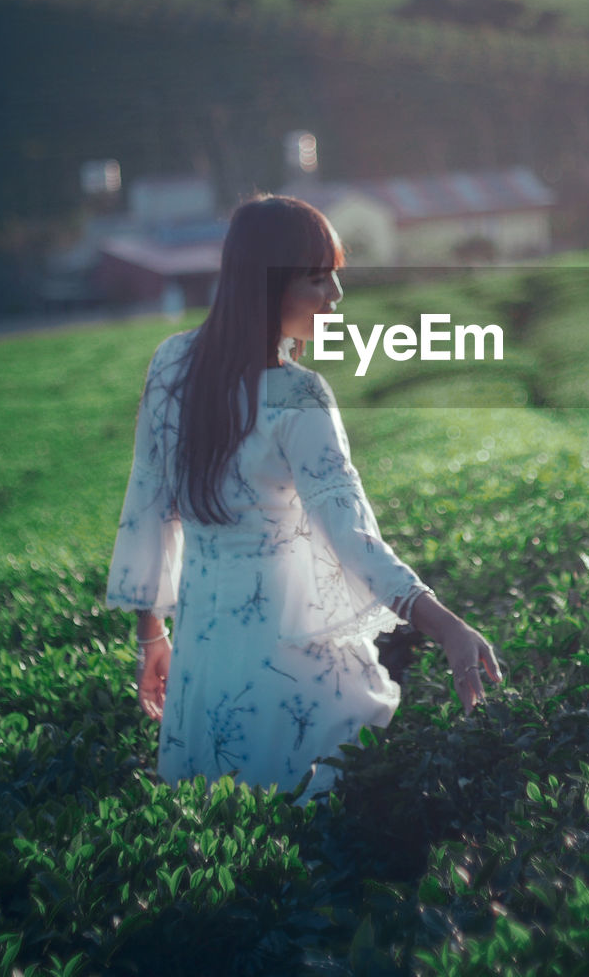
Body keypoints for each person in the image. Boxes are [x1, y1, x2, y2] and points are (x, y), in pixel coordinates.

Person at [106, 194, 501, 799]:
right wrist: (445, 626)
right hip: (291, 662)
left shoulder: (171, 365)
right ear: (265, 286)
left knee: (218, 838)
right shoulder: (299, 396)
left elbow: (147, 509)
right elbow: (353, 539)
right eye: (318, 279)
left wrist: (152, 636)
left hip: (205, 660)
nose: (335, 296)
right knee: (306, 844)